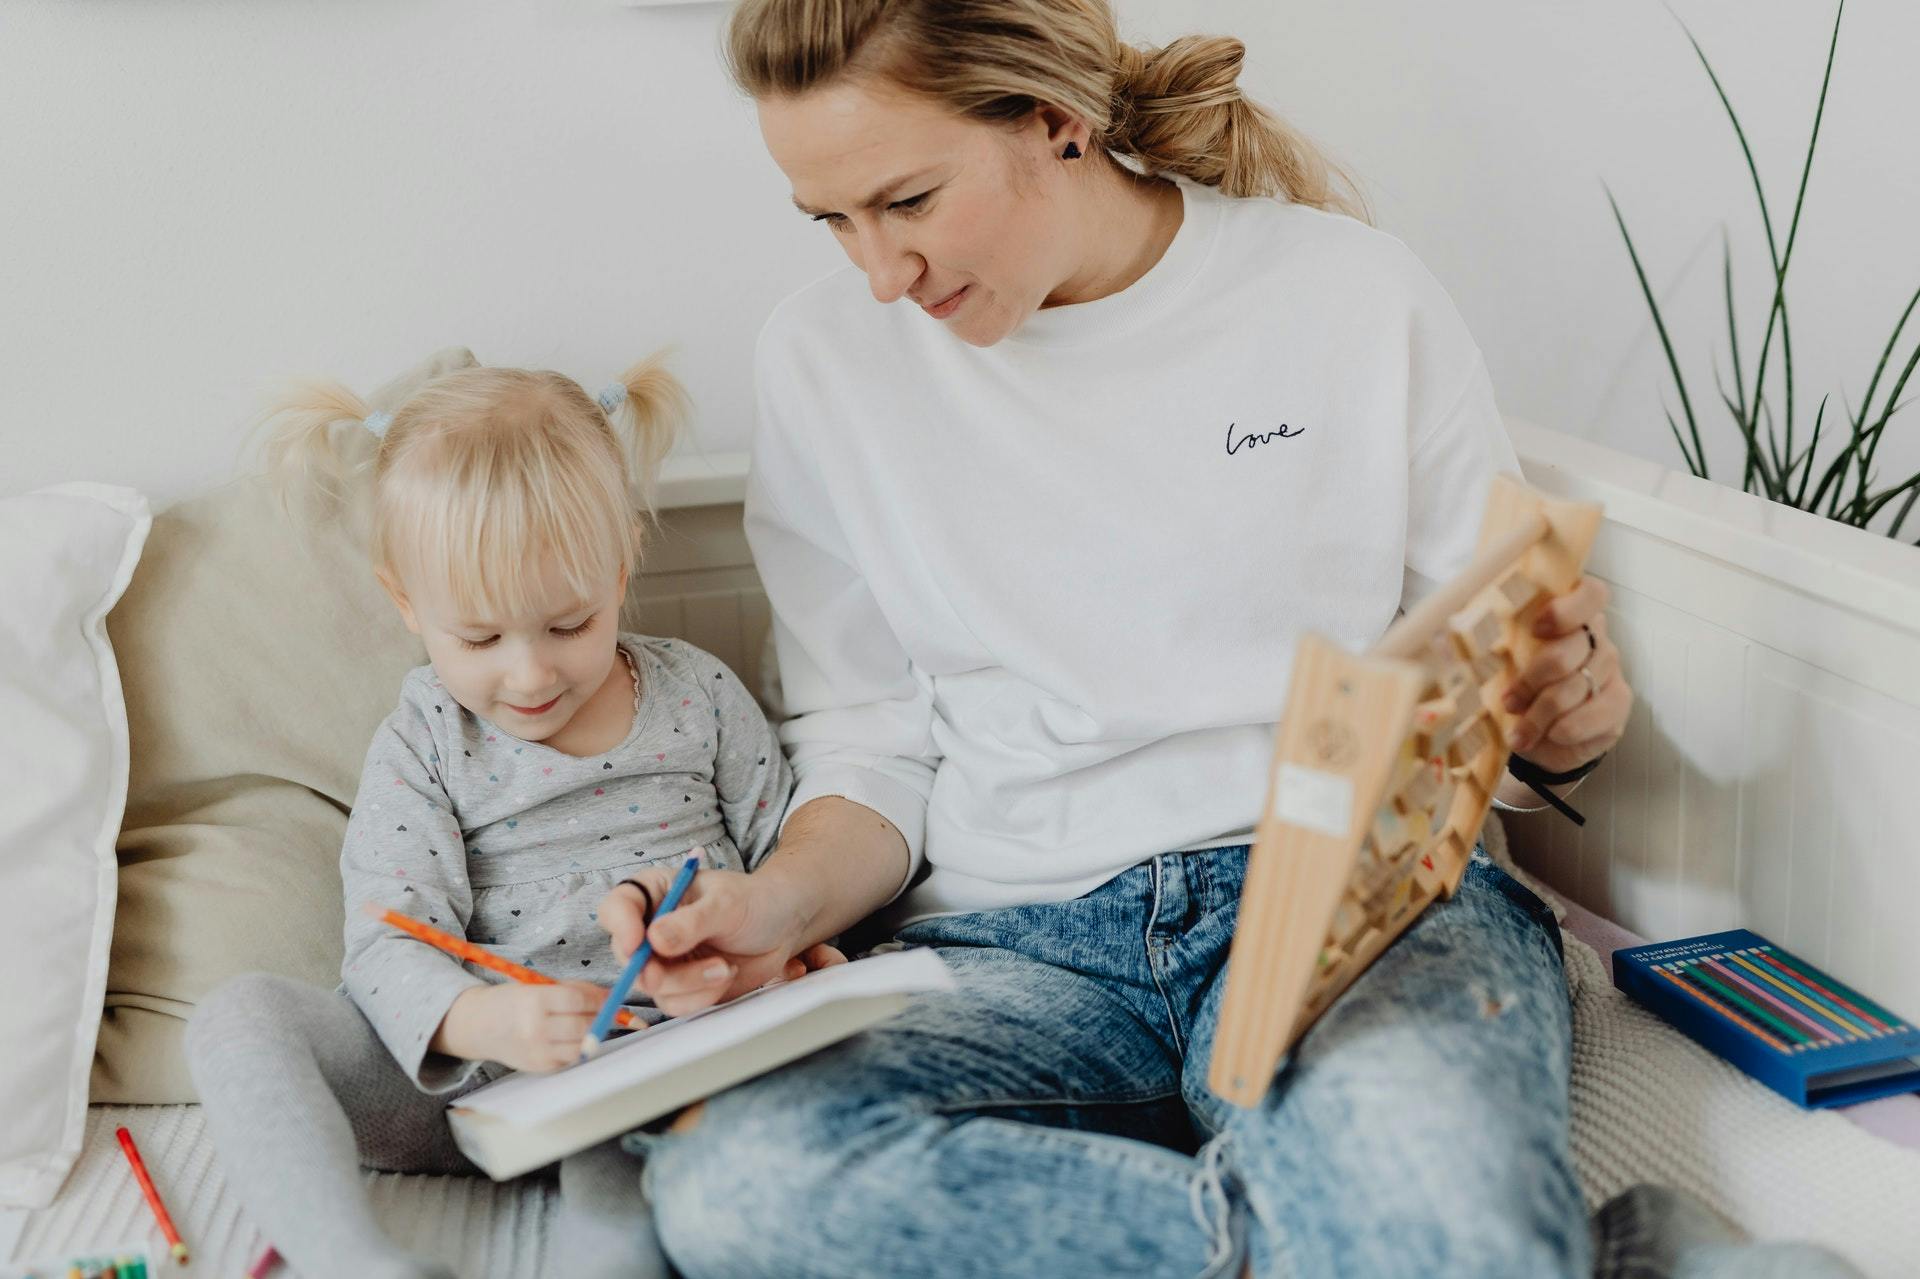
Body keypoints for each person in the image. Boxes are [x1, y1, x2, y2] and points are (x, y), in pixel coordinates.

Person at [596, 4, 1853, 1276]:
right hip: (1016, 943)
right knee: (736, 1181)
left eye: (909, 200)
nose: (880, 272)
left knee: (1422, 1176)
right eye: (831, 218)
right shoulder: (821, 364)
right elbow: (868, 743)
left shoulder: (1347, 293)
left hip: (1364, 911)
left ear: (1056, 120)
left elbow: (1492, 674)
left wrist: (1555, 733)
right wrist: (773, 903)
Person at [185, 359, 836, 1279]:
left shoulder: (699, 698)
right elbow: (386, 939)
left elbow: (786, 871)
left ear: (620, 569)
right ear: (407, 602)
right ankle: (350, 1261)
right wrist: (481, 1020)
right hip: (459, 1072)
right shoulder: (426, 738)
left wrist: (797, 953)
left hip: (646, 1061)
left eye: (568, 624)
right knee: (237, 1016)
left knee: (626, 1200)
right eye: (481, 639)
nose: (530, 676)